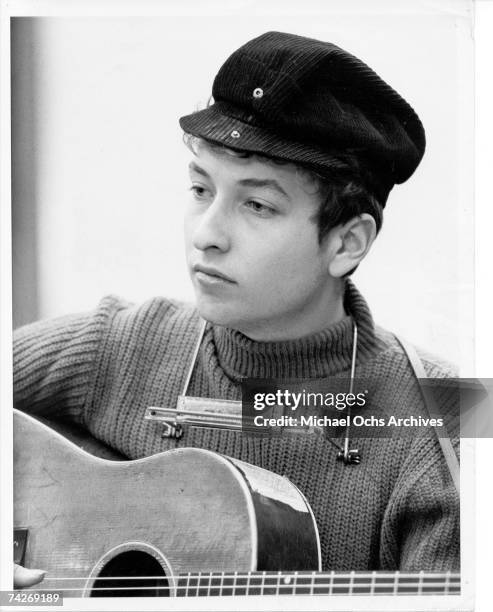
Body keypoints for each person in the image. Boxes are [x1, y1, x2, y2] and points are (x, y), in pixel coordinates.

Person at [13, 31, 459, 588]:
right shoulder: (120, 346)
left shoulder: (446, 421)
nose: (208, 234)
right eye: (201, 190)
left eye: (257, 204)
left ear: (347, 243)